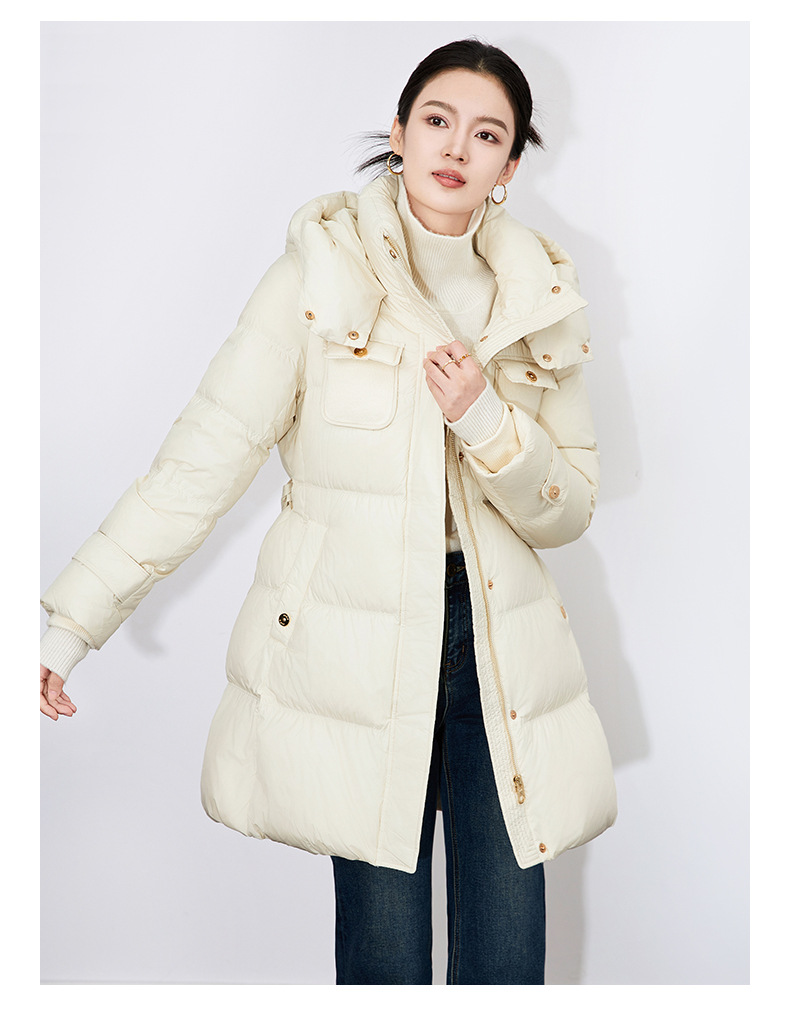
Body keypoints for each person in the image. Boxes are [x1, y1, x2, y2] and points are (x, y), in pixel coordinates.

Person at [40, 38, 617, 985]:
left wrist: (485, 420)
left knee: (508, 966)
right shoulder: (320, 277)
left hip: (500, 649)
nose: (455, 147)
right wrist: (72, 625)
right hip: (358, 652)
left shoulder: (538, 301)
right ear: (399, 131)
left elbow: (569, 510)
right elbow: (202, 459)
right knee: (384, 966)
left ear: (510, 166)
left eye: (487, 135)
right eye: (437, 120)